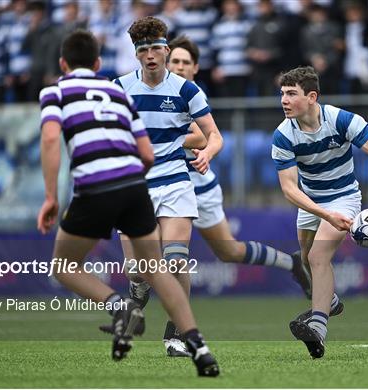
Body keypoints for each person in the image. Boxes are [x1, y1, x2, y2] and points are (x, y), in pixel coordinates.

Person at [104, 35, 315, 356]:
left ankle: (290, 264)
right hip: (154, 184)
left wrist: (168, 140)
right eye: (174, 60)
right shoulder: (141, 90)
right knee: (139, 268)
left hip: (195, 186)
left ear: (195, 68)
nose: (177, 66)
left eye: (184, 63)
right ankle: (138, 302)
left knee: (221, 253)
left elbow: (207, 136)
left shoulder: (190, 95)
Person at [37, 29, 219, 377]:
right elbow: (146, 152)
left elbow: (49, 139)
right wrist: (138, 182)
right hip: (136, 184)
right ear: (98, 63)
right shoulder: (116, 90)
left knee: (64, 265)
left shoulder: (54, 90)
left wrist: (50, 198)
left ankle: (123, 309)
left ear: (62, 64)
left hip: (99, 185)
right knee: (148, 268)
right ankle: (201, 349)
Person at [113, 17, 223, 357]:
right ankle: (137, 287)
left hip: (175, 182)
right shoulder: (119, 88)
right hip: (134, 187)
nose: (150, 55)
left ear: (166, 49)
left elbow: (214, 135)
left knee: (176, 262)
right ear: (136, 54)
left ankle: (175, 336)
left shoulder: (186, 90)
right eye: (142, 49)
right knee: (138, 270)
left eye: (155, 48)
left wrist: (206, 153)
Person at [272, 66, 368, 359]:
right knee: (305, 259)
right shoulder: (283, 135)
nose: (284, 100)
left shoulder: (341, 120)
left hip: (343, 197)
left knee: (317, 257)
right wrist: (322, 214)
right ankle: (331, 302)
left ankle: (318, 328)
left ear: (312, 97)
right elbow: (289, 189)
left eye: (291, 94)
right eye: (282, 94)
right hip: (309, 200)